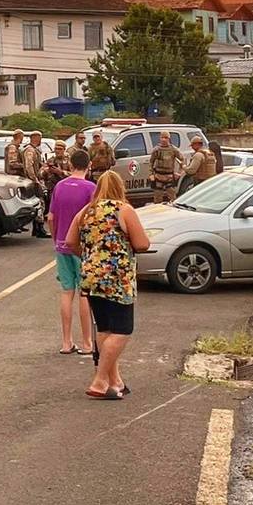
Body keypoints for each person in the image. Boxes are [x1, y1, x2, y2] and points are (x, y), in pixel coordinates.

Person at [66, 171, 149, 400]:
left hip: (91, 278)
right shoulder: (123, 209)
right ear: (120, 187)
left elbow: (70, 241)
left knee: (104, 329)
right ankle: (100, 380)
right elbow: (142, 243)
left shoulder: (86, 211)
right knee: (122, 330)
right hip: (118, 279)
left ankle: (115, 382)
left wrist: (89, 257)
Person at [47, 149, 96, 356]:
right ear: (89, 165)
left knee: (67, 292)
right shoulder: (90, 188)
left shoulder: (59, 186)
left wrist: (56, 237)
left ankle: (66, 342)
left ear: (70, 165)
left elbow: (50, 216)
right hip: (82, 247)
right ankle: (87, 343)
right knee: (84, 293)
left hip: (62, 244)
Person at [22, 130, 51, 238]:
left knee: (39, 204)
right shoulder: (30, 150)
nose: (40, 140)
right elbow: (29, 166)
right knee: (40, 203)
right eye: (40, 138)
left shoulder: (34, 150)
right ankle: (40, 228)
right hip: (33, 181)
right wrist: (35, 180)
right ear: (35, 138)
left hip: (34, 180)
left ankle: (36, 228)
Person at [148, 131, 183, 204]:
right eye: (162, 137)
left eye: (166, 138)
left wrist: (179, 173)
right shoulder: (156, 149)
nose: (164, 139)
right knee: (157, 197)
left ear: (169, 138)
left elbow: (182, 160)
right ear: (160, 138)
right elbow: (151, 162)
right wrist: (151, 174)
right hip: (158, 176)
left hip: (169, 176)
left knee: (173, 197)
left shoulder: (174, 149)